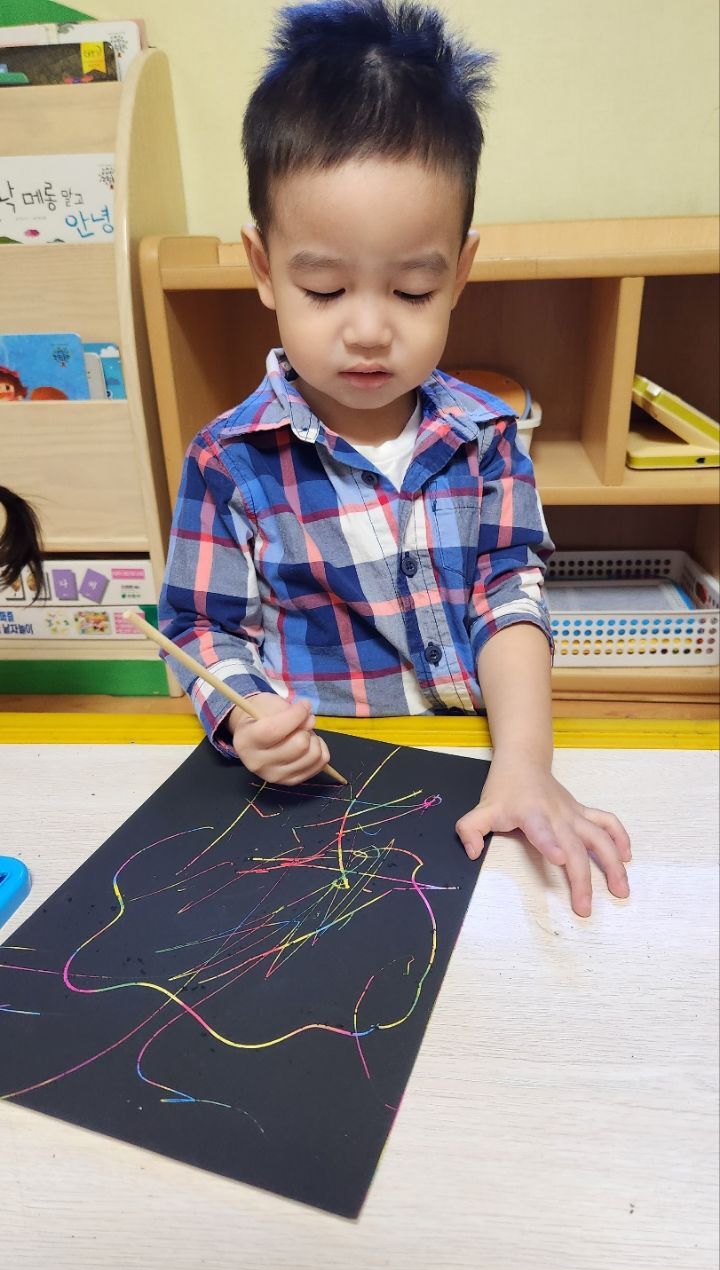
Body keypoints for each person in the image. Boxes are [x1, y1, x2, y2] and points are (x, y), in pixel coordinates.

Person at [159, 0, 631, 917]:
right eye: (324, 286)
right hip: (315, 792)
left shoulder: (486, 437)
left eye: (413, 290)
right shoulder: (229, 459)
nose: (369, 329)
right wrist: (248, 716)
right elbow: (201, 629)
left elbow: (509, 597)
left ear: (460, 271)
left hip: (472, 770)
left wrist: (525, 764)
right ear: (262, 267)